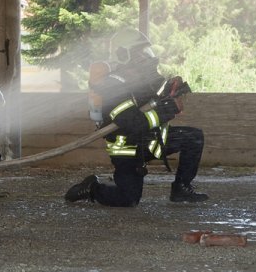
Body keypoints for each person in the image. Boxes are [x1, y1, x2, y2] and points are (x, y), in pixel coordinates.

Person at [65, 29, 208, 207]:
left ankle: (181, 189)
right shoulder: (113, 87)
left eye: (146, 52)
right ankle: (92, 188)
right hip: (128, 148)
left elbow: (153, 98)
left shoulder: (138, 81)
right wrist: (169, 108)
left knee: (193, 138)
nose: (147, 58)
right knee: (128, 199)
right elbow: (133, 123)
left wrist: (171, 89)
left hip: (148, 141)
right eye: (140, 53)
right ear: (123, 55)